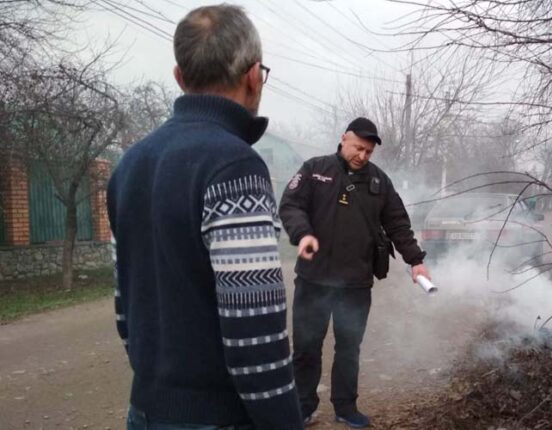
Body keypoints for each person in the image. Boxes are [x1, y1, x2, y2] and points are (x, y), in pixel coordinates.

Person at [108, 5, 303, 429]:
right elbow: (254, 334)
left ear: (180, 77)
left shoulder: (129, 165)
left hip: (144, 412)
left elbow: (125, 309)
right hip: (218, 418)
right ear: (253, 76)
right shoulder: (235, 167)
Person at [279, 117, 430, 428]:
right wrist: (302, 234)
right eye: (358, 148)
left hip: (355, 283)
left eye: (368, 152)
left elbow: (398, 224)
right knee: (306, 347)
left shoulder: (379, 182)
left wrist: (415, 260)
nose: (362, 155)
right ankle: (302, 406)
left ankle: (346, 407)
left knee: (349, 348)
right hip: (314, 279)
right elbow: (291, 205)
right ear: (343, 138)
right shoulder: (315, 169)